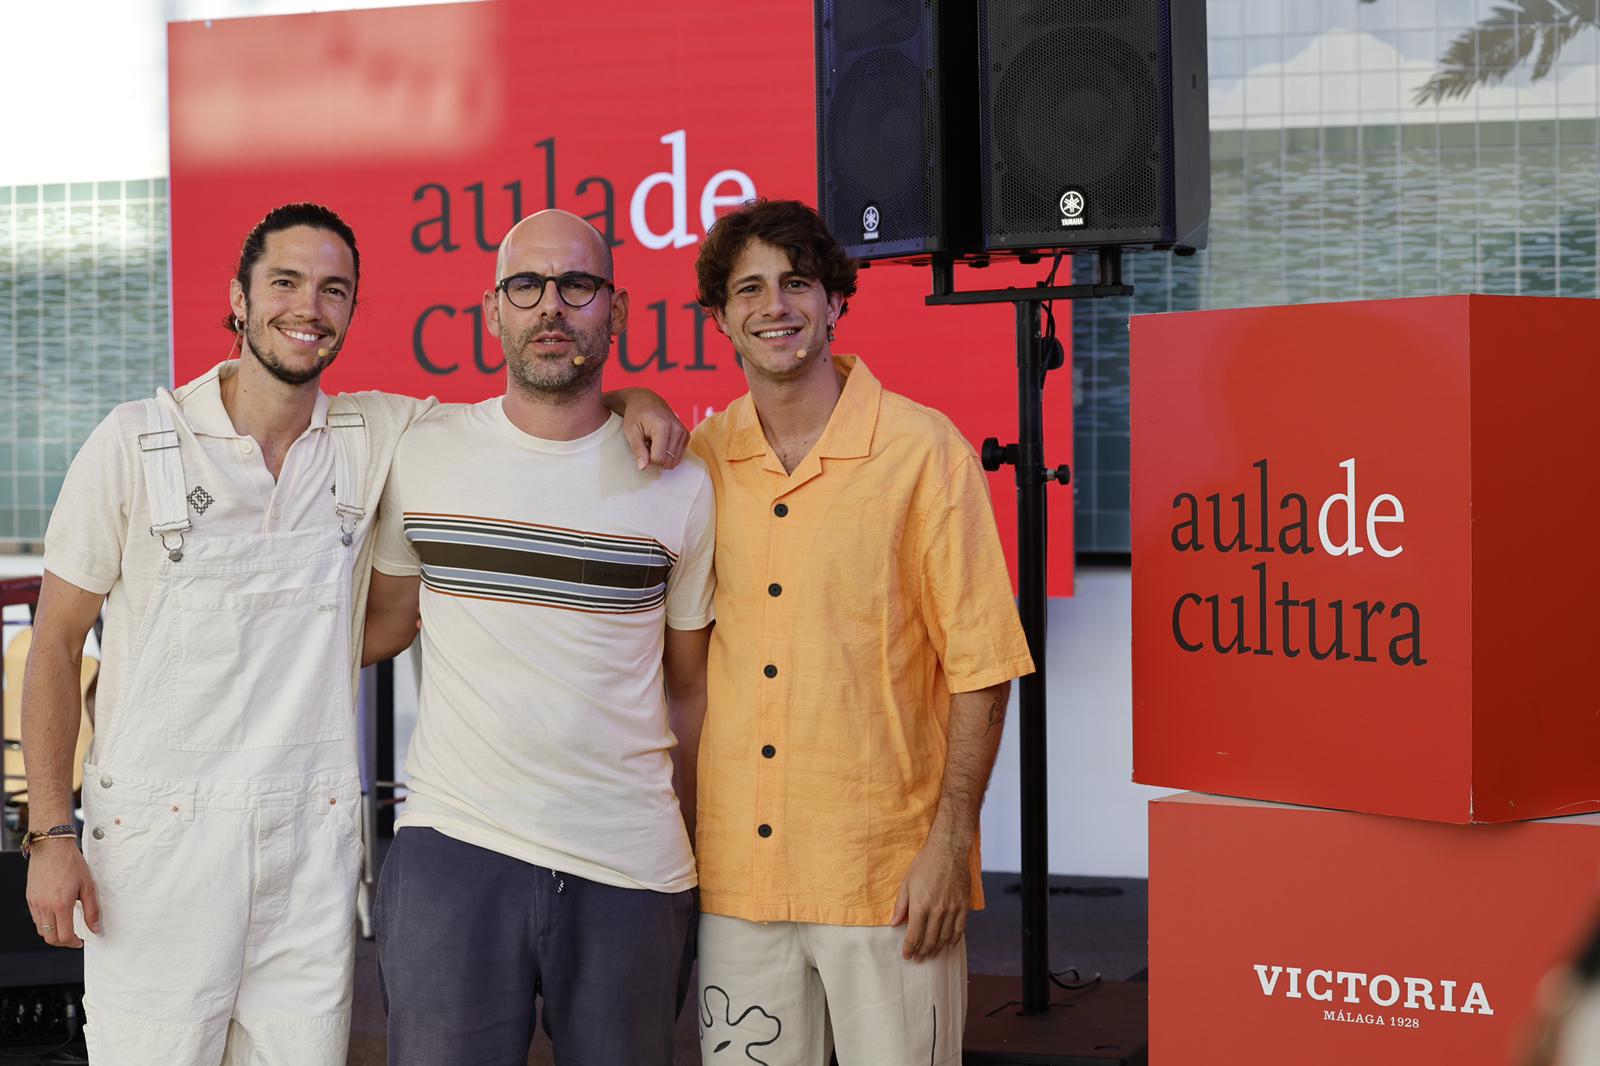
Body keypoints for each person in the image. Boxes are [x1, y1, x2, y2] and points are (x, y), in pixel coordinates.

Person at [19, 201, 685, 1066]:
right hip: (157, 853)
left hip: (308, 849)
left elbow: (544, 397)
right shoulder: (136, 441)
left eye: (334, 290)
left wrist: (636, 394)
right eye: (286, 283)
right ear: (239, 297)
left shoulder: (379, 432)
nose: (310, 307)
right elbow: (56, 644)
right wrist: (50, 835)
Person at [361, 208, 715, 1066]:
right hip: (456, 848)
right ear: (493, 311)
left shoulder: (683, 481)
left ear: (616, 310)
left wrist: (704, 850)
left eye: (577, 285)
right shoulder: (424, 452)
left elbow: (690, 687)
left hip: (632, 866)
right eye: (527, 286)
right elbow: (386, 623)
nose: (550, 306)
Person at [688, 198, 1035, 1065]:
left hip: (885, 880)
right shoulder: (696, 461)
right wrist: (626, 397)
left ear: (835, 300)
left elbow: (983, 667)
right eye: (750, 289)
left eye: (797, 283)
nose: (775, 306)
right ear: (721, 317)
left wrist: (950, 846)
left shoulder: (924, 451)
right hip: (737, 884)